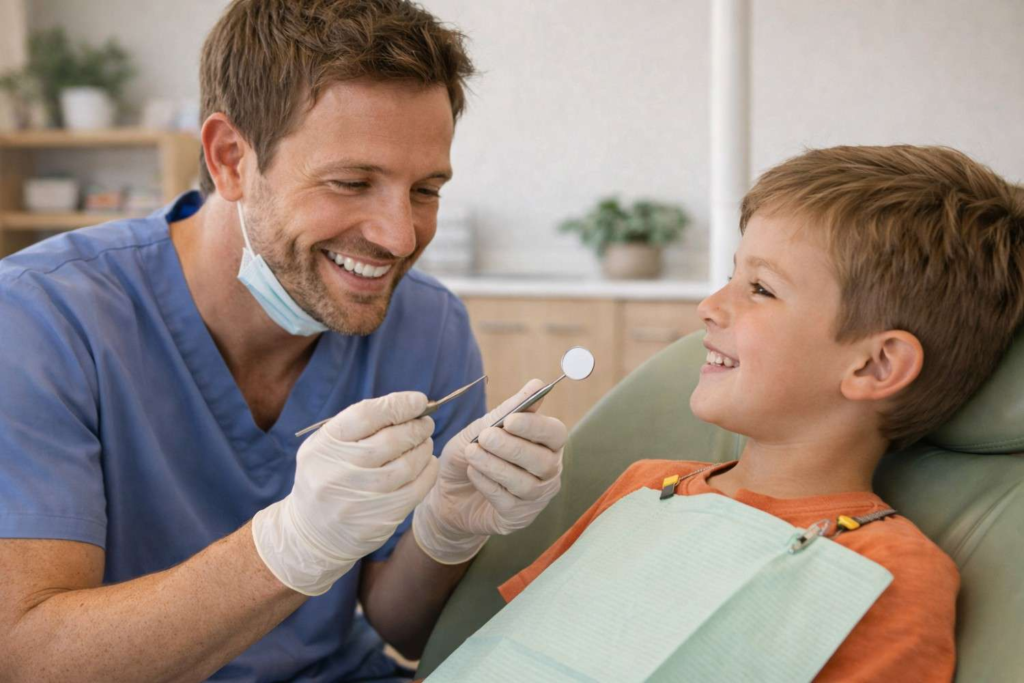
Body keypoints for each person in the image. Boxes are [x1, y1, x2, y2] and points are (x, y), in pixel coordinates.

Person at [0, 1, 566, 681]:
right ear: (229, 158)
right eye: (351, 182)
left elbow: (402, 626)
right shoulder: (41, 318)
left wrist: (447, 533)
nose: (400, 237)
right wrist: (291, 545)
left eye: (425, 189)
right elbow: (29, 657)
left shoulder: (427, 324)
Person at [458, 146, 1024, 681]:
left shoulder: (888, 570)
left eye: (760, 288)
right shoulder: (647, 489)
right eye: (732, 275)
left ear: (875, 365)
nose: (708, 307)